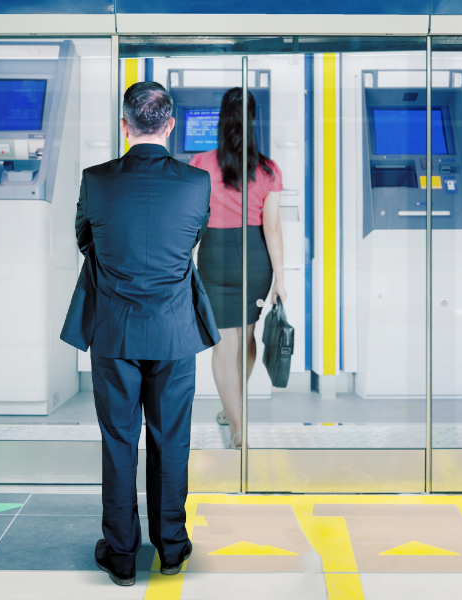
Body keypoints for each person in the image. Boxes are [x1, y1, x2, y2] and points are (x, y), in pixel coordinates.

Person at [60, 81, 219, 587]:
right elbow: (194, 240)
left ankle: (122, 554)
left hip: (116, 330)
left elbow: (85, 241)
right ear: (169, 126)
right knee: (171, 440)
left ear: (125, 126)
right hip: (174, 333)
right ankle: (171, 547)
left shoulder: (96, 180)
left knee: (119, 440)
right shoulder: (196, 184)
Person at [190, 88, 286, 449]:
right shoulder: (268, 169)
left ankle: (236, 426)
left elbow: (191, 219)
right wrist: (280, 278)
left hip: (214, 254)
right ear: (253, 120)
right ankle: (234, 407)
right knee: (245, 338)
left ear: (221, 119)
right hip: (255, 256)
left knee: (223, 345)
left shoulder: (199, 163)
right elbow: (273, 227)